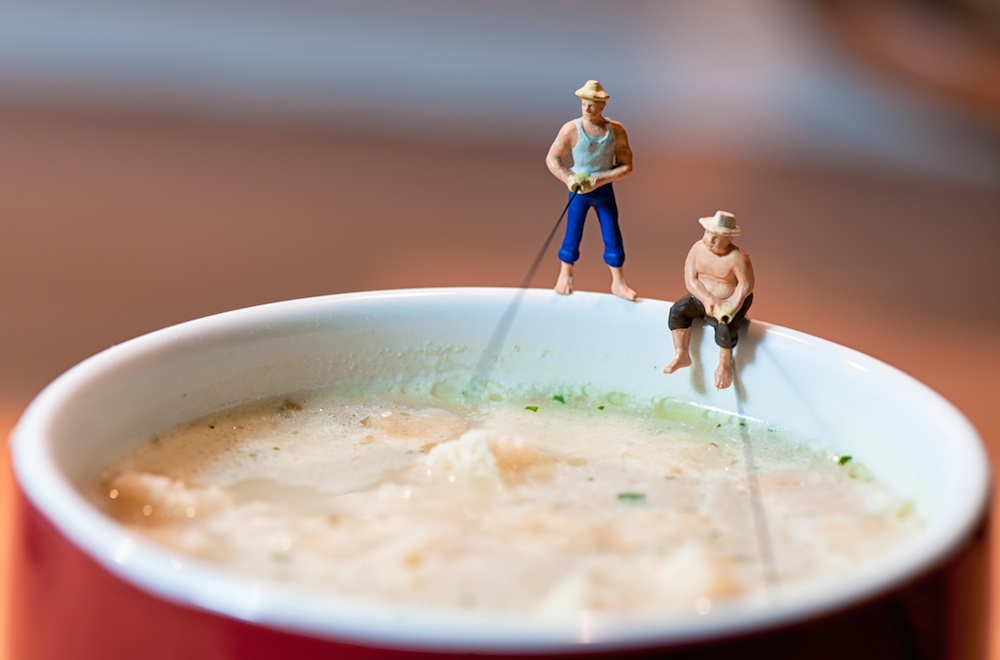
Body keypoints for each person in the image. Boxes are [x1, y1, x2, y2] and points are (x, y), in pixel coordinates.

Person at [545, 80, 636, 301]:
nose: (587, 108)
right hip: (579, 192)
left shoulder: (616, 131)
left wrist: (600, 178)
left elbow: (627, 166)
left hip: (603, 191)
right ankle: (565, 273)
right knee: (572, 232)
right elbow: (552, 159)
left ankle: (618, 281)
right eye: (584, 104)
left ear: (602, 105)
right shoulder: (571, 129)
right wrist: (569, 178)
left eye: (592, 105)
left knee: (611, 233)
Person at [663, 211, 754, 389]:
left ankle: (725, 364)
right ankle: (681, 354)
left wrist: (731, 307)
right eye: (708, 235)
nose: (709, 241)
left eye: (716, 238)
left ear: (728, 239)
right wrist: (706, 299)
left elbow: (745, 287)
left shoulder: (738, 257)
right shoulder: (697, 249)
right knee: (677, 311)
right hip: (701, 297)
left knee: (725, 325)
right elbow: (691, 279)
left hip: (730, 301)